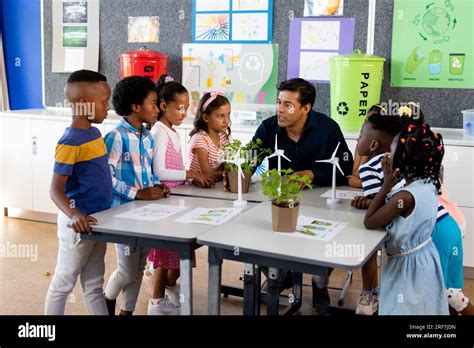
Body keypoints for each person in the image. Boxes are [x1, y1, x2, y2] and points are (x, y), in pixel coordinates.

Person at [252, 78, 354, 303]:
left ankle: (319, 283)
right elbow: (250, 160)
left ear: (306, 108)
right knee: (258, 232)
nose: (280, 109)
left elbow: (346, 166)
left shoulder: (328, 128)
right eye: (278, 102)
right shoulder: (268, 128)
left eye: (288, 105)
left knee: (322, 237)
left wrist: (312, 173)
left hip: (321, 202)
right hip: (280, 200)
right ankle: (281, 275)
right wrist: (235, 174)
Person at [45, 70, 113, 315]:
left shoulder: (94, 134)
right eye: (104, 102)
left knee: (94, 285)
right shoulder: (70, 140)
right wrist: (73, 213)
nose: (108, 108)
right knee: (64, 282)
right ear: (84, 104)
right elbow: (55, 190)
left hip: (97, 222)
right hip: (76, 225)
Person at [364, 122, 449, 314]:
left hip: (406, 269)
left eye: (391, 151)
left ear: (403, 159)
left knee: (401, 308)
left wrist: (386, 184)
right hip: (426, 260)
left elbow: (369, 221)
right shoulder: (429, 183)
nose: (387, 155)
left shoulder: (404, 197)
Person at [103, 76, 169, 315]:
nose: (157, 108)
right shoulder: (116, 137)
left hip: (145, 214)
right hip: (123, 216)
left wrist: (158, 186)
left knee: (139, 268)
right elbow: (106, 178)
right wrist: (137, 193)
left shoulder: (148, 138)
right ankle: (107, 299)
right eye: (153, 103)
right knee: (128, 270)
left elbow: (148, 173)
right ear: (135, 107)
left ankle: (126, 311)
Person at [349, 110, 403, 315]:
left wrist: (368, 203)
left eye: (361, 135)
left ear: (373, 146)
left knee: (367, 247)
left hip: (391, 227)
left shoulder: (370, 166)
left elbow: (377, 207)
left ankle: (368, 295)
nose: (358, 138)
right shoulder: (399, 158)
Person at [151, 74, 215, 188]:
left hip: (179, 191)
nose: (184, 113)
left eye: (186, 108)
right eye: (180, 108)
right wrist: (192, 174)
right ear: (163, 106)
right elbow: (159, 173)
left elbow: (177, 169)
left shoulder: (174, 133)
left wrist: (192, 179)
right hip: (166, 195)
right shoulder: (159, 132)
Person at [187, 91, 231, 181]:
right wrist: (229, 174)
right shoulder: (199, 139)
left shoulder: (223, 136)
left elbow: (225, 165)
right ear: (206, 117)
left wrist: (226, 171)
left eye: (228, 114)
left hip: (214, 183)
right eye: (221, 116)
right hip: (195, 187)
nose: (226, 121)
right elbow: (207, 174)